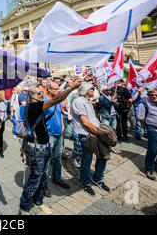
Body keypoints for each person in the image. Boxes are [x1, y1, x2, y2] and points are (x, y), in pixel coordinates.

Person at [19, 78, 81, 215]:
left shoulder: (37, 105)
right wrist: (70, 87)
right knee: (35, 178)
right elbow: (55, 100)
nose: (42, 95)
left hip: (45, 145)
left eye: (41, 93)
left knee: (43, 177)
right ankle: (24, 206)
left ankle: (38, 201)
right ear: (31, 97)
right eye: (38, 94)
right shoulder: (32, 107)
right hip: (36, 148)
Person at [72, 82, 110, 197]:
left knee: (103, 156)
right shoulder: (78, 101)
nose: (94, 90)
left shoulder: (88, 101)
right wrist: (99, 132)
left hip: (96, 133)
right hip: (87, 135)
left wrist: (101, 128)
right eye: (92, 88)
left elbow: (93, 119)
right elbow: (85, 122)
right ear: (86, 89)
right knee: (86, 160)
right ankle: (86, 183)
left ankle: (98, 179)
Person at [44, 81, 70, 195]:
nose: (59, 90)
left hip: (59, 134)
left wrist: (63, 126)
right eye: (56, 88)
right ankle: (43, 185)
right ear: (49, 89)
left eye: (59, 88)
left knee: (58, 157)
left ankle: (57, 178)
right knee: (46, 160)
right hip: (49, 135)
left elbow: (59, 113)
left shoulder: (58, 99)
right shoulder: (44, 101)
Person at [98, 86, 120, 154]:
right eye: (107, 90)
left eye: (109, 90)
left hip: (113, 115)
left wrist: (115, 101)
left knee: (113, 132)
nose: (109, 91)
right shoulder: (102, 97)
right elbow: (108, 105)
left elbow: (115, 106)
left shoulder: (110, 97)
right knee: (105, 132)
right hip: (106, 116)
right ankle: (103, 147)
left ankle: (110, 147)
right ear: (103, 91)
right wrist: (113, 100)